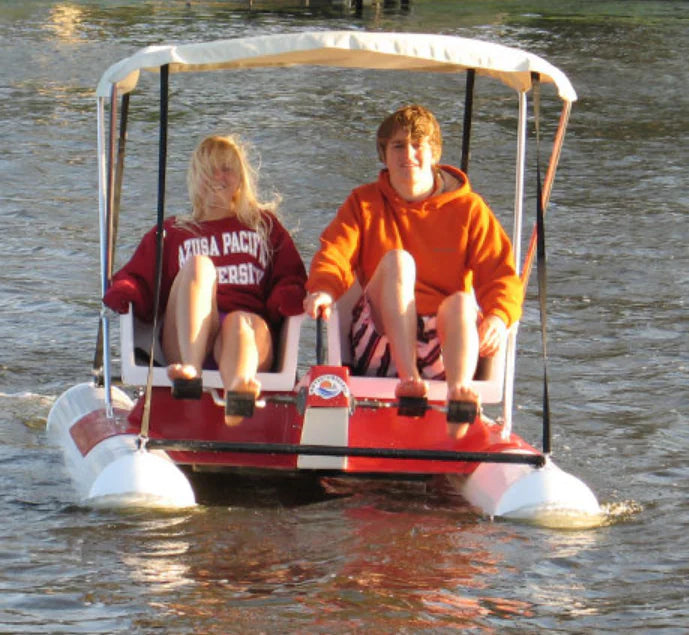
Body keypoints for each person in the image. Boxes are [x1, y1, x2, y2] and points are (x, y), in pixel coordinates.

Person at [303, 104, 522, 436]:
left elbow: (501, 273)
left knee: (463, 301)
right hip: (379, 341)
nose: (409, 154)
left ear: (433, 153)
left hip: (445, 348)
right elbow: (335, 252)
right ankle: (409, 381)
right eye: (398, 146)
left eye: (418, 144)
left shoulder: (470, 209)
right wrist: (323, 288)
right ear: (384, 154)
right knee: (398, 262)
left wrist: (497, 316)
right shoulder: (363, 202)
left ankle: (459, 395)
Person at [103, 134, 306, 425]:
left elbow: (291, 277)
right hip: (186, 339)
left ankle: (240, 389)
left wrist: (287, 299)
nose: (218, 177)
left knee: (240, 322)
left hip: (246, 337)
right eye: (209, 169)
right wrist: (125, 290)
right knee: (199, 266)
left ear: (241, 179)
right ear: (194, 177)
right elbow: (137, 278)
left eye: (227, 169)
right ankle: (191, 373)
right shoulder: (173, 231)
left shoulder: (264, 226)